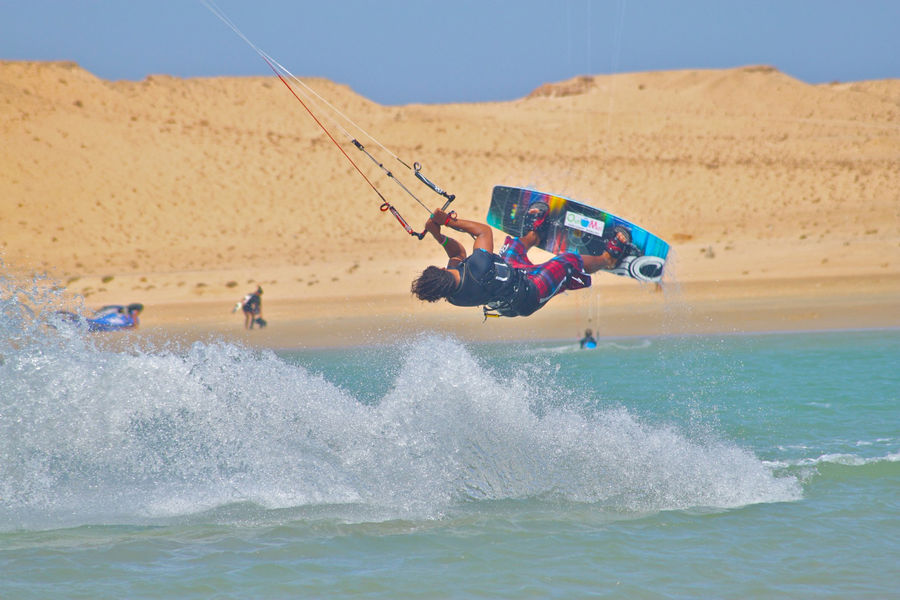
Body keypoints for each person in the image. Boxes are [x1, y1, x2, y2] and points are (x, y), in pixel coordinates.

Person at [410, 203, 623, 317]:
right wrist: (446, 221)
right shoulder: (478, 266)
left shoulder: (453, 295)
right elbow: (483, 232)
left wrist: (437, 235)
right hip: (529, 293)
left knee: (512, 248)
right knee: (566, 261)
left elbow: (456, 255)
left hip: (508, 285)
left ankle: (534, 235)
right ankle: (608, 258)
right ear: (440, 269)